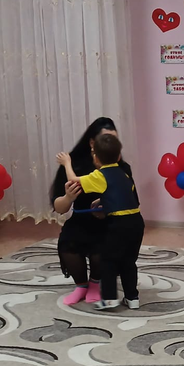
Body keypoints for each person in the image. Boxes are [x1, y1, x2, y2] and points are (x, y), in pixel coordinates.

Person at [51, 118, 133, 306]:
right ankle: (81, 286)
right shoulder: (76, 164)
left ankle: (95, 283)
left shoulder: (121, 168)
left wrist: (108, 207)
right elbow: (59, 207)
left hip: (109, 222)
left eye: (114, 140)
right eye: (106, 139)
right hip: (80, 220)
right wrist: (68, 198)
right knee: (68, 245)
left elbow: (128, 197)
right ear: (91, 143)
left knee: (103, 249)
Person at [67, 134, 144, 311]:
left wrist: (66, 163)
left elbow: (73, 181)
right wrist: (104, 200)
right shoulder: (124, 174)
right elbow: (126, 196)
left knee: (108, 261)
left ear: (95, 158)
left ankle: (109, 299)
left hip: (118, 225)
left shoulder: (100, 175)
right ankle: (132, 298)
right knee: (128, 262)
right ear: (118, 156)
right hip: (136, 222)